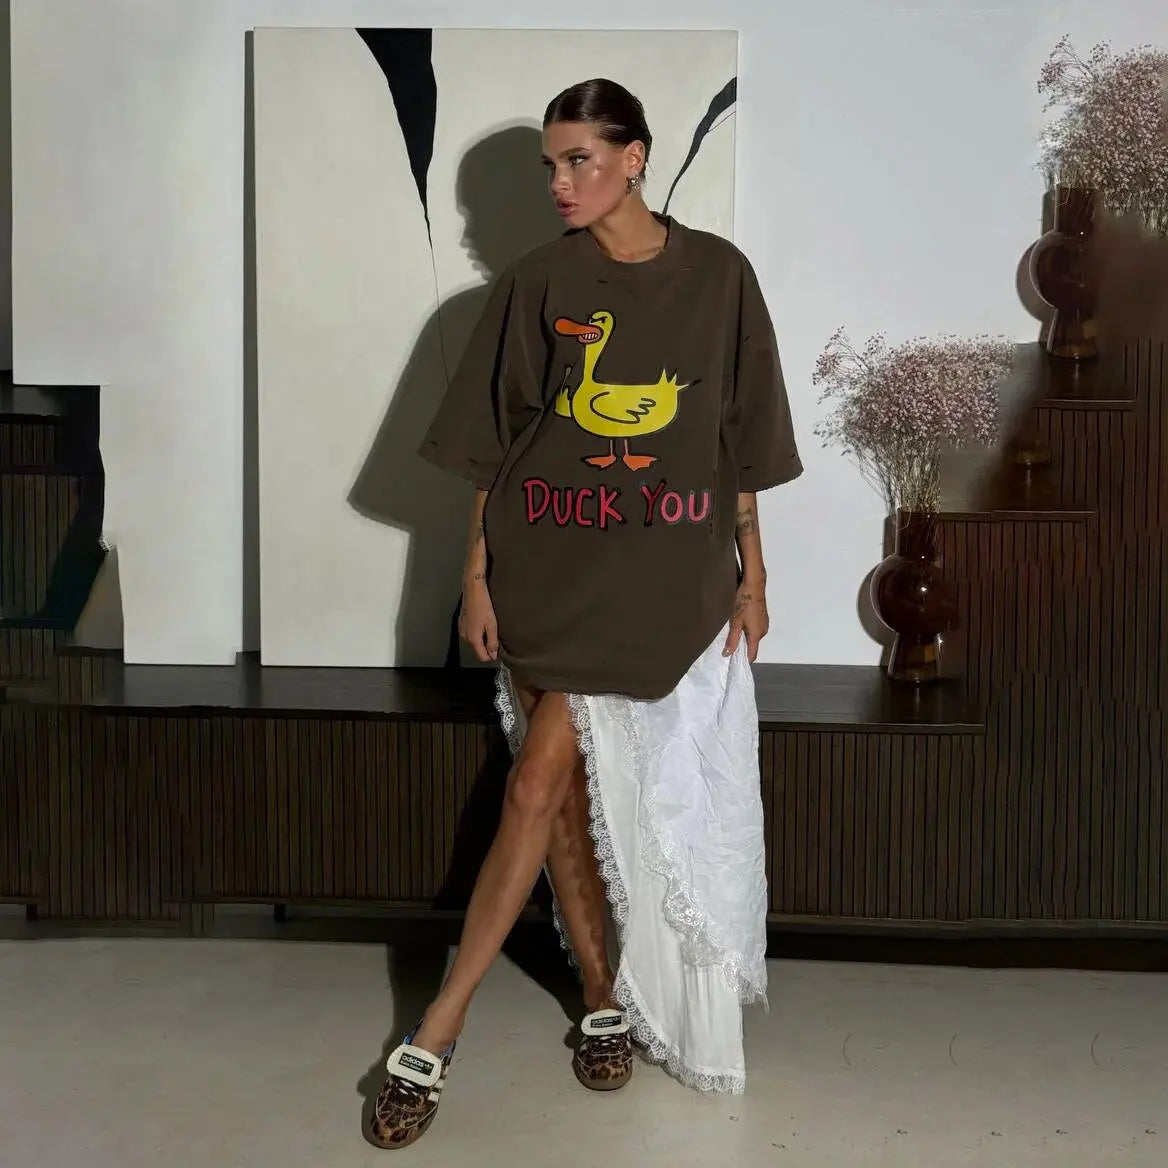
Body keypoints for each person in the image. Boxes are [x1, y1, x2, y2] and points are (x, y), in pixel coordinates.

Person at [370, 77, 802, 1151]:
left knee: (548, 783)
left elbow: (739, 443)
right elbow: (495, 447)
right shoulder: (536, 283)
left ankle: (465, 1020)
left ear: (635, 157)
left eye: (581, 161)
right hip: (551, 567)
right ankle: (540, 1011)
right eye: (551, 166)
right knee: (548, 787)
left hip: (666, 578)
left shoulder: (721, 277)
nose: (561, 184)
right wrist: (477, 577)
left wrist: (751, 577)